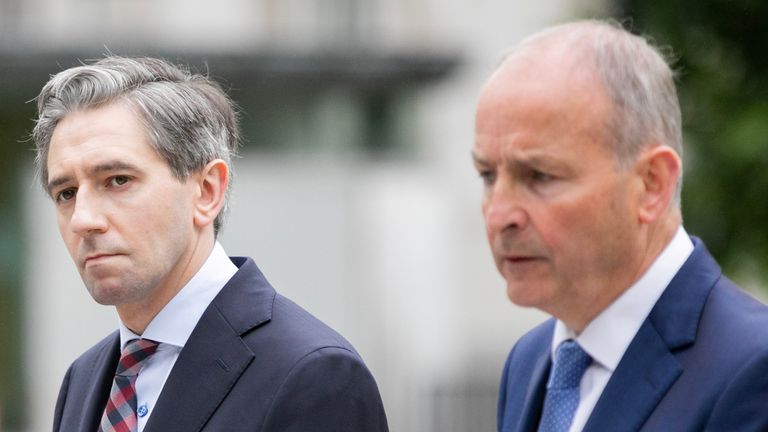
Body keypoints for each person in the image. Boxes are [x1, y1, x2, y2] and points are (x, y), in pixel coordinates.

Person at [33, 56, 389, 432]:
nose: (84, 219)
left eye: (118, 180)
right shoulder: (83, 380)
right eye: (66, 192)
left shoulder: (314, 375)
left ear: (207, 191)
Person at [473, 20, 768, 432]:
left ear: (652, 184)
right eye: (488, 175)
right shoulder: (530, 361)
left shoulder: (751, 370)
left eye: (540, 176)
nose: (501, 214)